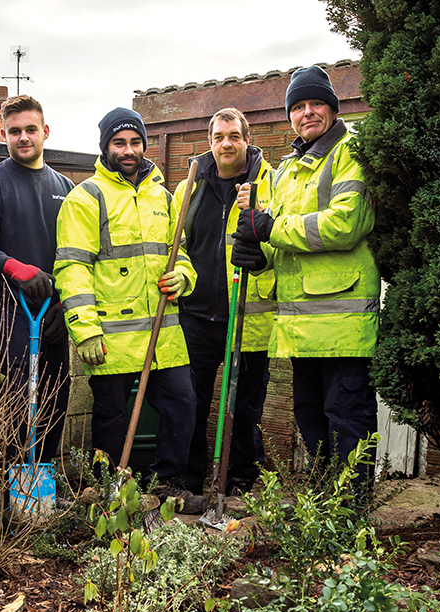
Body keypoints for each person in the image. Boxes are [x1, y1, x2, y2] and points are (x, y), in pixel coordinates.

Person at [233, 66, 381, 486]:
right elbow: (280, 241)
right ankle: (320, 506)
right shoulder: (288, 169)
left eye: (316, 103)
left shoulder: (350, 153)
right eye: (298, 106)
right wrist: (258, 256)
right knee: (309, 418)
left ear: (333, 109)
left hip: (342, 321)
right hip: (300, 325)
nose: (307, 112)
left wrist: (269, 228)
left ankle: (350, 507)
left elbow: (346, 223)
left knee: (346, 417)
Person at [54, 107, 202, 510]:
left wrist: (183, 278)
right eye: (119, 142)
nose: (129, 149)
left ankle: (168, 483)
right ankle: (109, 490)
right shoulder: (86, 198)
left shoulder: (164, 197)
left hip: (162, 333)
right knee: (111, 418)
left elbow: (181, 254)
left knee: (182, 405)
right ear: (105, 147)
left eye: (135, 141)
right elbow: (71, 268)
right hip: (111, 336)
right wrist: (84, 329)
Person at [0, 94, 73, 464]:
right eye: (14, 131)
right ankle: (12, 483)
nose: (23, 137)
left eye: (30, 129)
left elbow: (75, 253)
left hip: (52, 312)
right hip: (10, 312)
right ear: (3, 134)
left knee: (56, 396)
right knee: (15, 398)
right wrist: (16, 268)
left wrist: (64, 304)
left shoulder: (65, 187)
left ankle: (44, 479)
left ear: (45, 131)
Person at [172, 108, 274, 496]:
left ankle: (242, 481)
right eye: (218, 137)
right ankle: (191, 481)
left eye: (234, 136)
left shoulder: (270, 185)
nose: (226, 144)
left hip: (248, 315)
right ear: (209, 141)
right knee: (191, 402)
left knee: (246, 406)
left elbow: (281, 244)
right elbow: (176, 245)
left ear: (247, 139)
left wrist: (264, 260)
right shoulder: (190, 189)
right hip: (197, 317)